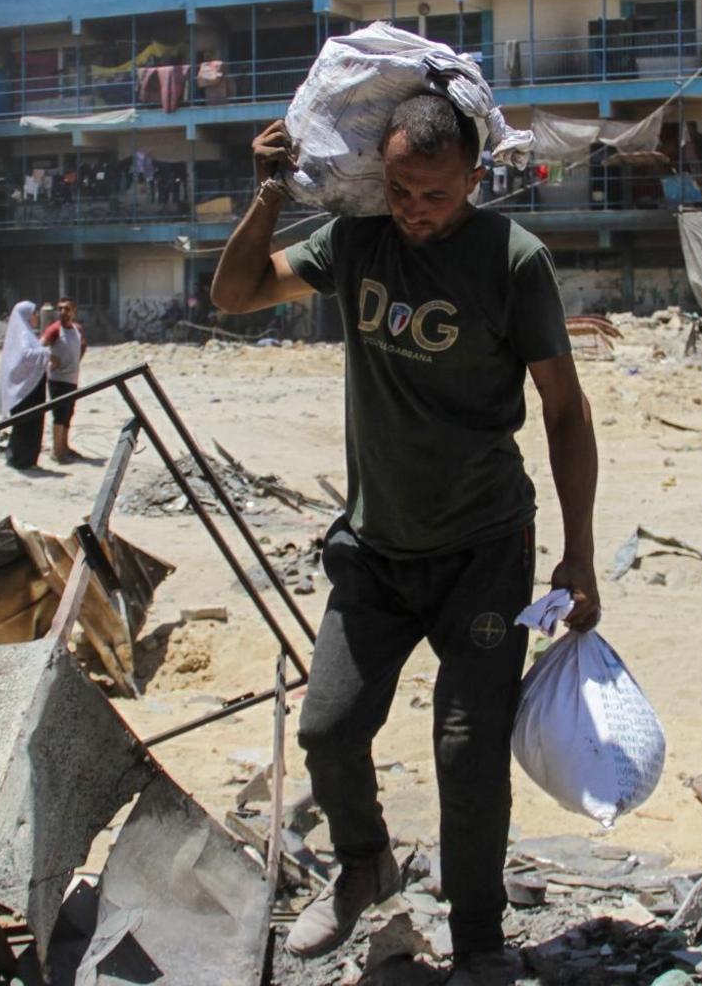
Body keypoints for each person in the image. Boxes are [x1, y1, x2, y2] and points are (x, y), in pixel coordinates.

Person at [211, 98, 599, 985]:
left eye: (430, 191)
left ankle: (478, 943)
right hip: (376, 549)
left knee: (467, 753)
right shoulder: (357, 244)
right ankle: (364, 866)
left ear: (473, 177)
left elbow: (566, 411)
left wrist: (578, 552)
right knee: (329, 729)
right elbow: (235, 294)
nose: (413, 207)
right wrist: (267, 192)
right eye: (398, 188)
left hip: (484, 551)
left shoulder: (512, 262)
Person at [0, 301, 51, 470]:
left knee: (33, 424)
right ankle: (21, 460)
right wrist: (46, 353)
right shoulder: (22, 335)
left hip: (32, 388)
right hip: (25, 391)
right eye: (34, 313)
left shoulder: (27, 334)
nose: (36, 316)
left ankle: (28, 459)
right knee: (25, 425)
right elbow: (25, 356)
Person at [39, 297, 87, 462]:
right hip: (57, 379)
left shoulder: (77, 329)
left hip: (72, 379)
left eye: (67, 309)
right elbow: (39, 348)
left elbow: (82, 347)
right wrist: (52, 358)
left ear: (74, 311)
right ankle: (56, 452)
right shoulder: (54, 329)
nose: (63, 312)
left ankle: (64, 447)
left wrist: (75, 362)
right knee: (59, 414)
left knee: (68, 413)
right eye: (60, 309)